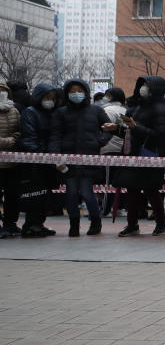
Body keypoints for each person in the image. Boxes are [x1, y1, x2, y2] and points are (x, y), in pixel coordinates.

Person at [50, 79, 110, 237]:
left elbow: (109, 128)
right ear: (67, 93)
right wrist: (56, 158)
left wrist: (100, 141)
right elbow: (55, 135)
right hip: (68, 159)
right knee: (70, 193)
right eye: (72, 91)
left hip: (89, 158)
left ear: (86, 92)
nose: (76, 93)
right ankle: (74, 224)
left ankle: (95, 221)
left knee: (86, 192)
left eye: (79, 90)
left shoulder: (96, 111)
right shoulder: (60, 112)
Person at [114, 75, 165, 237]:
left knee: (151, 190)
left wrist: (135, 126)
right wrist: (117, 129)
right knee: (131, 190)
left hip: (150, 154)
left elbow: (160, 135)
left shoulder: (160, 109)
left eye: (147, 85)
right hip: (132, 154)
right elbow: (129, 131)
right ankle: (132, 224)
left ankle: (161, 223)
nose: (143, 88)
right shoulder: (134, 107)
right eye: (142, 85)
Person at [16, 83, 60, 237]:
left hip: (48, 161)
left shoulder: (51, 114)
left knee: (44, 195)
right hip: (35, 161)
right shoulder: (30, 112)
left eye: (53, 98)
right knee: (35, 194)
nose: (50, 101)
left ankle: (39, 224)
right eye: (47, 97)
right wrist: (39, 156)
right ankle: (30, 225)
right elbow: (28, 136)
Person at [0, 80, 21, 238]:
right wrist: (8, 141)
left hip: (12, 163)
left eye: (3, 90)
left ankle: (10, 224)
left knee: (12, 195)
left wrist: (15, 137)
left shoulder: (14, 111)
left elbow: (19, 130)